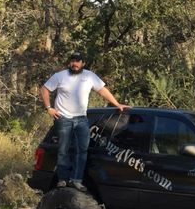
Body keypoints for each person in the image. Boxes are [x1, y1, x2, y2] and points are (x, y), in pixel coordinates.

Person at [40, 51, 129, 191]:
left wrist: (116, 104)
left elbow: (102, 90)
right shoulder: (60, 76)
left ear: (83, 63)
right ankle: (62, 179)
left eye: (78, 61)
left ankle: (76, 180)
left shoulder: (89, 76)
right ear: (69, 62)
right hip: (63, 118)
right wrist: (49, 108)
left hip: (81, 119)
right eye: (73, 60)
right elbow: (45, 89)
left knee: (81, 150)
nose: (75, 63)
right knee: (63, 149)